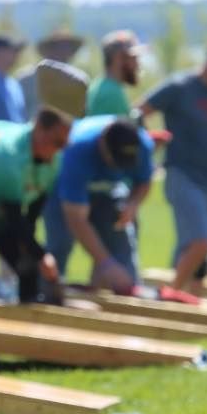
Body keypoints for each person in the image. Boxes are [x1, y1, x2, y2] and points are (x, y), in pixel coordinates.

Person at [137, 37, 207, 294]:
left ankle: (191, 294)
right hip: (183, 174)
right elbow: (138, 112)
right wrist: (149, 142)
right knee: (200, 240)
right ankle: (173, 293)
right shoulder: (179, 86)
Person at [43, 30, 146, 277]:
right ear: (120, 58)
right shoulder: (110, 93)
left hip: (92, 183)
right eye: (133, 57)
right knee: (63, 248)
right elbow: (107, 146)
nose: (138, 63)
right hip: (87, 183)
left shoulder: (108, 88)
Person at [0, 107, 72, 303]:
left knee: (27, 267)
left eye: (64, 144)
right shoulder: (10, 156)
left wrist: (33, 253)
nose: (59, 149)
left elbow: (33, 212)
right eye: (56, 142)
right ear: (39, 129)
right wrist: (41, 255)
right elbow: (14, 216)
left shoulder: (55, 159)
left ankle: (28, 319)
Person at [56, 116, 155, 293]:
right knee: (60, 244)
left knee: (122, 257)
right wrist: (106, 263)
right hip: (64, 190)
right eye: (115, 160)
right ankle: (49, 295)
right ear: (103, 145)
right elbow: (76, 219)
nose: (118, 168)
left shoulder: (142, 145)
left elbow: (144, 182)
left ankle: (102, 291)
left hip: (110, 192)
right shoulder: (77, 149)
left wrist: (132, 205)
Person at [15, 30, 84, 118]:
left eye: (67, 49)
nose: (64, 53)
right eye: (59, 48)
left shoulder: (75, 80)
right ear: (48, 51)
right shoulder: (26, 78)